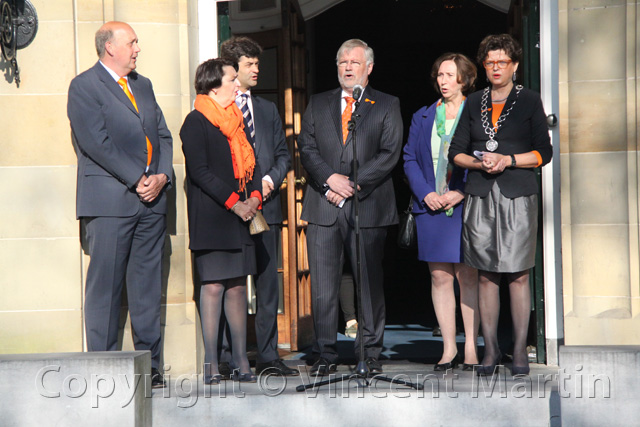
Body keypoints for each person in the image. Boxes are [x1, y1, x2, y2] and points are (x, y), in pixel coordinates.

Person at [67, 21, 172, 388]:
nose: (138, 48)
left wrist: (161, 176)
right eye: (132, 42)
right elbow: (95, 142)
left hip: (151, 203)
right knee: (106, 290)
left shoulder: (143, 85)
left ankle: (150, 368)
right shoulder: (84, 86)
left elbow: (162, 134)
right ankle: (104, 369)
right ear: (109, 47)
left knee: (146, 290)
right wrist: (137, 177)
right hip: (110, 203)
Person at [448, 34, 552, 376]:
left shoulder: (529, 101)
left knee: (519, 275)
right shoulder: (473, 100)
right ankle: (490, 349)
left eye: (502, 62)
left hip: (518, 196)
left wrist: (507, 160)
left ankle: (519, 349)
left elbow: (544, 153)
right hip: (480, 195)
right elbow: (456, 151)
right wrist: (480, 164)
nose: (495, 68)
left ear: (515, 66)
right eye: (490, 62)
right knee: (486, 276)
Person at [298, 39, 403, 376]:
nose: (346, 67)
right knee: (324, 287)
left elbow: (389, 154)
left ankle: (369, 353)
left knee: (368, 284)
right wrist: (331, 179)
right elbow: (307, 148)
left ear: (368, 68)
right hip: (323, 206)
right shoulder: (317, 103)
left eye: (354, 62)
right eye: (342, 61)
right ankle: (325, 353)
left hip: (367, 207)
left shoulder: (386, 104)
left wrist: (352, 184)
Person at [180, 58, 263, 384]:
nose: (237, 84)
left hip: (242, 215)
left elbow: (251, 165)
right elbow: (200, 172)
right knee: (213, 286)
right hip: (214, 217)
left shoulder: (237, 120)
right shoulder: (195, 122)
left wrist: (254, 198)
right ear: (214, 86)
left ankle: (242, 360)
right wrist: (235, 204)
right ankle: (212, 363)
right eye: (231, 79)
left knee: (237, 288)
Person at [218, 37, 296, 377]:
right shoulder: (216, 107)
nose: (257, 70)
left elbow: (283, 154)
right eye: (251, 64)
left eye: (257, 64)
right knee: (229, 282)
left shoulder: (266, 109)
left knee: (268, 285)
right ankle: (226, 357)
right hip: (230, 210)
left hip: (267, 205)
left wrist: (267, 184)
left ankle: (267, 356)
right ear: (233, 68)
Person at [403, 53, 480, 371]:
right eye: (440, 75)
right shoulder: (423, 116)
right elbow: (409, 158)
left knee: (467, 276)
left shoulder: (475, 112)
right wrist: (427, 194)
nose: (443, 81)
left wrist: (460, 192)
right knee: (439, 276)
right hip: (431, 206)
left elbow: (482, 157)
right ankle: (448, 349)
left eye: (450, 75)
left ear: (464, 78)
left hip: (465, 204)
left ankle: (473, 348)